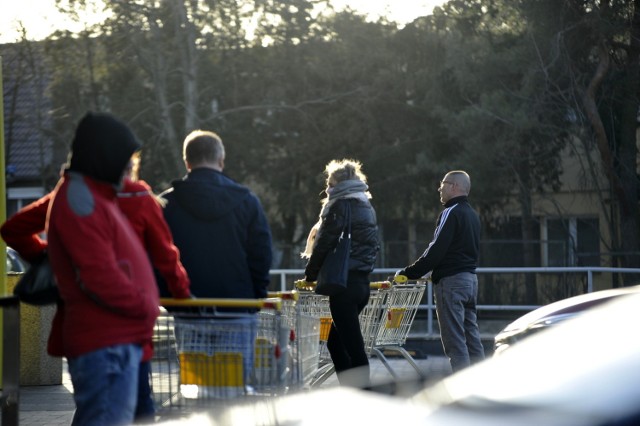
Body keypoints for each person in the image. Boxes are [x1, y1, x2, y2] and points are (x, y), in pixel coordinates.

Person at [0, 152, 191, 423]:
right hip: (130, 324)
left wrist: (53, 259)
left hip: (82, 328)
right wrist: (182, 293)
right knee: (137, 409)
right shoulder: (139, 200)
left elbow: (14, 229)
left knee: (93, 407)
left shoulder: (68, 198)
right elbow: (166, 257)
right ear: (130, 168)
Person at [46, 112, 160, 426]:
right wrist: (144, 305)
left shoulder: (91, 194)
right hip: (106, 342)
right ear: (104, 155)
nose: (128, 168)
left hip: (111, 340)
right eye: (124, 159)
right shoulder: (81, 198)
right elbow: (98, 275)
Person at [160, 130, 273, 301]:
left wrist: (169, 293)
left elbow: (158, 253)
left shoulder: (166, 203)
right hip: (238, 302)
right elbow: (261, 252)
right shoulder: (246, 201)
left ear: (187, 163)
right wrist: (256, 293)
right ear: (221, 161)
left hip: (187, 303)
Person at [395, 170, 484, 373]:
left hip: (451, 284)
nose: (439, 188)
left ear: (453, 186)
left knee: (455, 342)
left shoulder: (450, 212)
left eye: (442, 184)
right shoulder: (472, 215)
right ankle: (481, 383)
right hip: (470, 281)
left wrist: (409, 273)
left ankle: (464, 391)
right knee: (472, 337)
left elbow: (435, 251)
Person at [302, 159, 379, 388]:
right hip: (361, 283)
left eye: (331, 182)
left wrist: (311, 274)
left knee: (354, 348)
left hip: (343, 285)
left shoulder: (339, 206)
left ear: (341, 184)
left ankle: (362, 395)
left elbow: (325, 243)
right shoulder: (366, 205)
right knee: (336, 343)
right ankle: (352, 390)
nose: (327, 187)